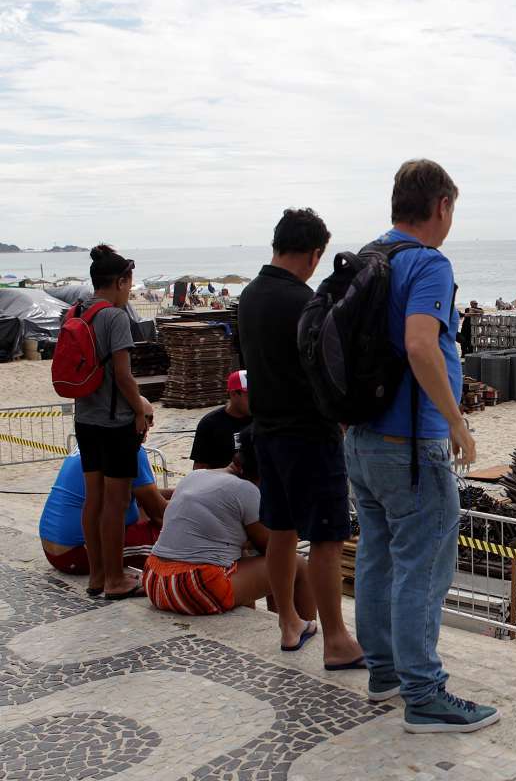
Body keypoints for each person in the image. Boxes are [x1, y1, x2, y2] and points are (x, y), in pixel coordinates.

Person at [345, 159, 499, 732]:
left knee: (377, 554)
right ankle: (424, 694)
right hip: (411, 443)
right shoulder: (428, 263)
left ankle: (384, 672)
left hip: (361, 439)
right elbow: (419, 344)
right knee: (424, 565)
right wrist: (457, 421)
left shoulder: (367, 257)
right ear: (442, 206)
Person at [239, 208, 363, 668]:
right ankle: (336, 640)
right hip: (310, 433)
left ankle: (289, 622)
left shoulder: (249, 297)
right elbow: (326, 372)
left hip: (266, 431)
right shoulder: (304, 302)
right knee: (328, 538)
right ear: (314, 254)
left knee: (281, 531)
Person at [145, 427, 317, 621]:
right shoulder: (246, 490)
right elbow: (275, 550)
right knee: (299, 565)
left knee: (241, 555)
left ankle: (280, 621)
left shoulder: (196, 476)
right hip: (192, 586)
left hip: (154, 579)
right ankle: (306, 630)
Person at [75, 245, 148, 600]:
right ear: (120, 281)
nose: (130, 291)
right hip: (114, 422)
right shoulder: (115, 317)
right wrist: (140, 409)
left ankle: (98, 576)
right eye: (129, 283)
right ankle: (117, 579)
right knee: (115, 504)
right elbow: (123, 375)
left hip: (85, 419)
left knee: (94, 500)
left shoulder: (77, 310)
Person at [41, 402, 168, 578]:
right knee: (170, 539)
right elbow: (160, 514)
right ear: (134, 418)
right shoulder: (130, 448)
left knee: (140, 508)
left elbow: (144, 494)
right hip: (76, 553)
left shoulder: (92, 443)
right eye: (150, 418)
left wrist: (182, 492)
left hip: (54, 547)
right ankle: (115, 580)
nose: (152, 425)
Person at [191, 370, 253, 469]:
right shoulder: (210, 424)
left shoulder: (261, 419)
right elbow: (200, 469)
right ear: (234, 394)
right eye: (250, 396)